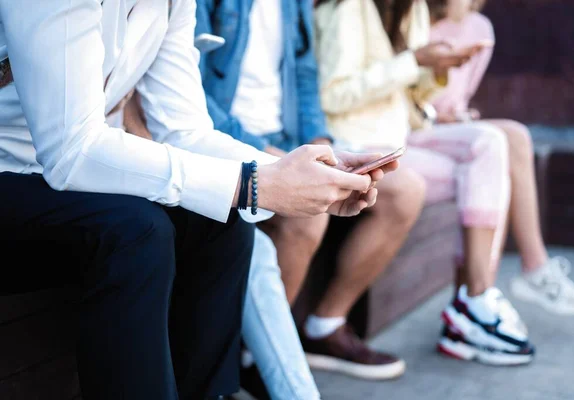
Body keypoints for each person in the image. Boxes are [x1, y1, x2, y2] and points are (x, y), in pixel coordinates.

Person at [0, 1, 394, 399]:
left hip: (65, 179)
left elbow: (184, 129)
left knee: (219, 218)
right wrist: (253, 184)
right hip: (11, 174)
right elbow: (73, 151)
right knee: (136, 229)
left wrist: (296, 172)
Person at [195, 0, 425, 387]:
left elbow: (304, 73)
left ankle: (324, 326)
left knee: (404, 190)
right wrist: (276, 159)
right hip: (225, 139)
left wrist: (320, 147)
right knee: (311, 210)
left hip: (286, 138)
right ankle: (247, 359)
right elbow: (191, 99)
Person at [314, 0, 537, 365]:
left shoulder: (411, 8)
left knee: (491, 145)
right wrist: (414, 61)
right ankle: (474, 306)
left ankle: (476, 299)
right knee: (480, 170)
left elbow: (411, 95)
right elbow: (332, 96)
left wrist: (438, 70)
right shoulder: (348, 7)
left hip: (396, 135)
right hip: (353, 142)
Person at [428, 0, 574, 316]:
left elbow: (458, 96)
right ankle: (476, 302)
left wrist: (460, 114)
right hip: (413, 127)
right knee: (491, 150)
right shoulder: (413, 20)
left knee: (514, 137)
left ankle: (530, 268)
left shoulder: (480, 28)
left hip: (447, 128)